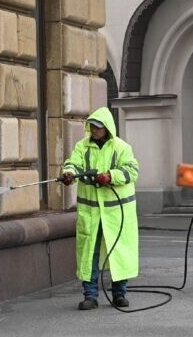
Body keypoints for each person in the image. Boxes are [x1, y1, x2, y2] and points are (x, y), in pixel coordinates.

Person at [60, 107, 140, 311]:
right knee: (89, 254)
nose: (94, 130)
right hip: (91, 213)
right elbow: (73, 164)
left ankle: (119, 294)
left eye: (98, 127)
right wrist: (68, 173)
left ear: (107, 128)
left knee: (118, 253)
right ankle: (90, 296)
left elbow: (132, 170)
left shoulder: (121, 147)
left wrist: (110, 176)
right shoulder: (82, 147)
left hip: (117, 212)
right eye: (92, 127)